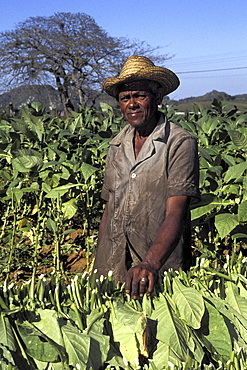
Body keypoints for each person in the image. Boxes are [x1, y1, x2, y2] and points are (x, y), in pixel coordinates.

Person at [93, 55, 200, 298]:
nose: (132, 104)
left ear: (158, 96)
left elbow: (176, 210)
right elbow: (109, 210)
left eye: (139, 95)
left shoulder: (179, 142)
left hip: (157, 266)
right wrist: (99, 265)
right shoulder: (116, 146)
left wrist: (150, 263)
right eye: (124, 98)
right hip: (113, 264)